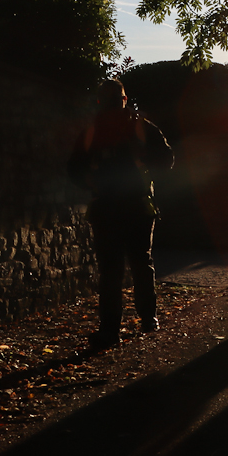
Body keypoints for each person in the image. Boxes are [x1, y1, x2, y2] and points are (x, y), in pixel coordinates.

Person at [69, 79, 173, 350]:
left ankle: (111, 329)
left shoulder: (93, 132)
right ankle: (147, 319)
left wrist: (90, 180)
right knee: (140, 263)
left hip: (108, 206)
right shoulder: (141, 127)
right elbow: (167, 160)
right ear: (124, 100)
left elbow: (73, 169)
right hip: (135, 206)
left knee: (112, 270)